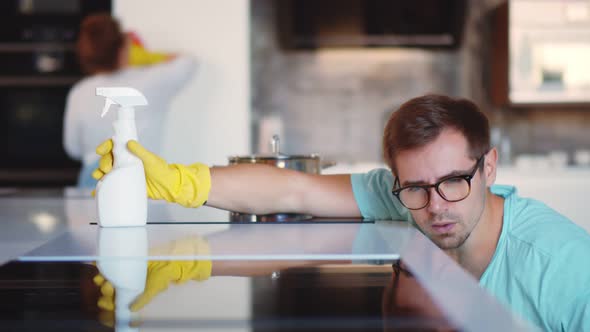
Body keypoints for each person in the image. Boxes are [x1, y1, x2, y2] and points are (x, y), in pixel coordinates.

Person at [93, 94, 590, 331]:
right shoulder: (400, 198)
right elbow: (293, 192)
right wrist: (177, 181)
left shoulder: (564, 266)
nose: (435, 206)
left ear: (489, 168)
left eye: (454, 182)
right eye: (415, 187)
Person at [63, 13, 196, 187]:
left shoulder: (79, 93)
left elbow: (72, 149)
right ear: (124, 46)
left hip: (94, 181)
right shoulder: (151, 81)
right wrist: (144, 56)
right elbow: (188, 62)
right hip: (143, 181)